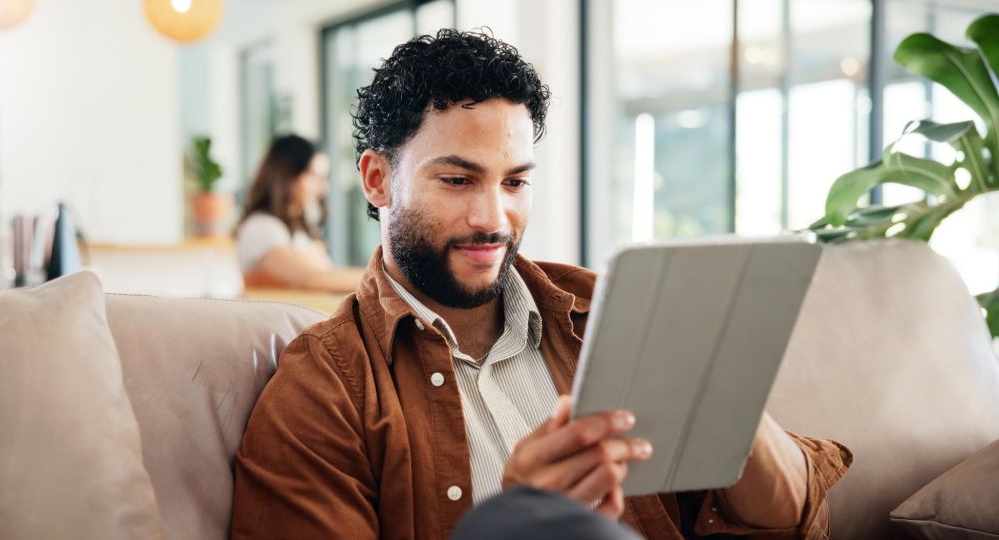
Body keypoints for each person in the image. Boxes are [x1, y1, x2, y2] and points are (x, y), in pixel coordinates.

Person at [232, 30, 852, 539]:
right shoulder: (321, 392)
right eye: (457, 181)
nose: (493, 219)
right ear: (376, 180)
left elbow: (796, 520)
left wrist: (725, 395)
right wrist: (519, 524)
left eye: (514, 182)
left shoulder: (610, 312)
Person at [236, 134, 363, 292]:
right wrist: (382, 278)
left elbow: (327, 274)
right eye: (315, 176)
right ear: (287, 176)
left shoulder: (300, 227)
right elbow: (312, 279)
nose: (324, 188)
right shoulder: (261, 227)